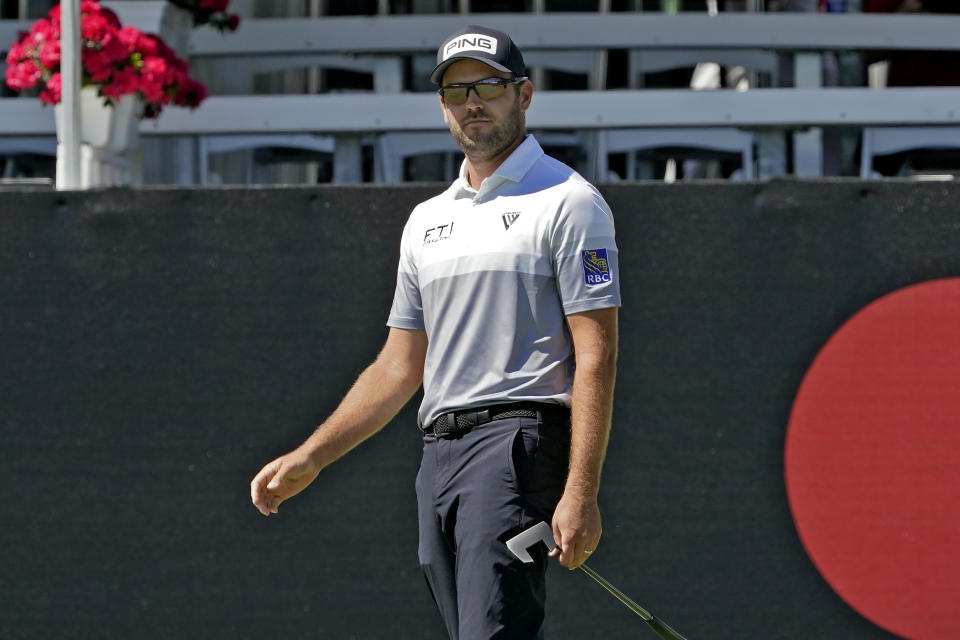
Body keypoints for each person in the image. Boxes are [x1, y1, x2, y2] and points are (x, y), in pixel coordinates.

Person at [250, 24, 621, 640]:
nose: (471, 104)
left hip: (515, 445)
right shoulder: (428, 220)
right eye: (455, 92)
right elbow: (399, 366)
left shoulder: (569, 202)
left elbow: (597, 355)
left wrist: (581, 491)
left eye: (488, 87)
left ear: (524, 95)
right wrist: (312, 457)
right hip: (438, 455)